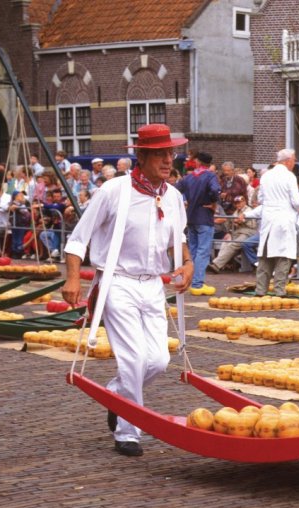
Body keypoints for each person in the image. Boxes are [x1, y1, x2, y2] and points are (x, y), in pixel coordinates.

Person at [61, 123, 193, 457]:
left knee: (160, 360)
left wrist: (188, 264)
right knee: (134, 358)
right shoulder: (113, 191)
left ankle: (117, 394)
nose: (168, 160)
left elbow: (179, 241)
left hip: (153, 284)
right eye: (161, 154)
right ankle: (128, 431)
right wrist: (73, 277)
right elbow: (78, 238)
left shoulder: (174, 196)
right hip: (117, 281)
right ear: (143, 156)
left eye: (171, 153)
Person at [255, 149, 299, 297]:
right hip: (284, 218)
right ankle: (279, 290)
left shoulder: (266, 175)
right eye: (294, 160)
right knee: (284, 255)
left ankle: (260, 289)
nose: (294, 162)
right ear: (288, 160)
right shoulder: (289, 177)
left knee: (265, 255)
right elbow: (296, 201)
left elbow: (260, 198)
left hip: (268, 218)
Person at [176, 151, 220, 295]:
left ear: (198, 162)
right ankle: (197, 283)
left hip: (191, 217)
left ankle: (191, 280)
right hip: (204, 217)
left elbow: (175, 189)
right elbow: (215, 190)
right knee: (203, 251)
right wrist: (213, 202)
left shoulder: (188, 177)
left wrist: (184, 201)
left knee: (193, 250)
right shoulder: (210, 176)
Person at [208, 194, 259, 273]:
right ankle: (218, 264)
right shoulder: (236, 211)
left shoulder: (249, 210)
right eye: (236, 203)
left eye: (240, 202)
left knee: (234, 244)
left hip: (248, 232)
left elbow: (248, 223)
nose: (238, 204)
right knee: (226, 242)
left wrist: (239, 222)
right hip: (237, 233)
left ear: (244, 202)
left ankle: (217, 265)